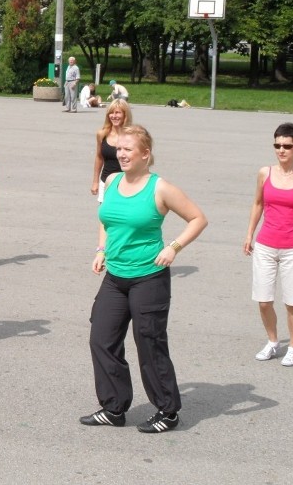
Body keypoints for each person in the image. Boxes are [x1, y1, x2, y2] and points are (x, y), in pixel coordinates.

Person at [81, 125, 207, 433]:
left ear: (145, 154)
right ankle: (113, 408)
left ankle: (168, 411)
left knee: (149, 343)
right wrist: (101, 249)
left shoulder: (160, 188)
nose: (121, 154)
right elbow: (107, 220)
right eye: (119, 149)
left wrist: (174, 247)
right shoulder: (111, 181)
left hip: (148, 278)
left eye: (128, 150)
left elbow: (198, 218)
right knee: (102, 338)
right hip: (115, 276)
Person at [243, 122, 293, 367]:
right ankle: (272, 341)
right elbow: (258, 204)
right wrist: (249, 234)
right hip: (266, 245)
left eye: (287, 146)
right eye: (277, 145)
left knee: (292, 302)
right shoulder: (264, 173)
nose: (281, 150)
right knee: (264, 300)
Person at [91, 100, 132, 203]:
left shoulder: (132, 135)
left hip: (127, 184)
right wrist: (95, 181)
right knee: (105, 216)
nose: (114, 116)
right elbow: (99, 157)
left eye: (118, 112)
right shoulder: (102, 134)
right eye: (111, 113)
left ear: (125, 115)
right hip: (106, 183)